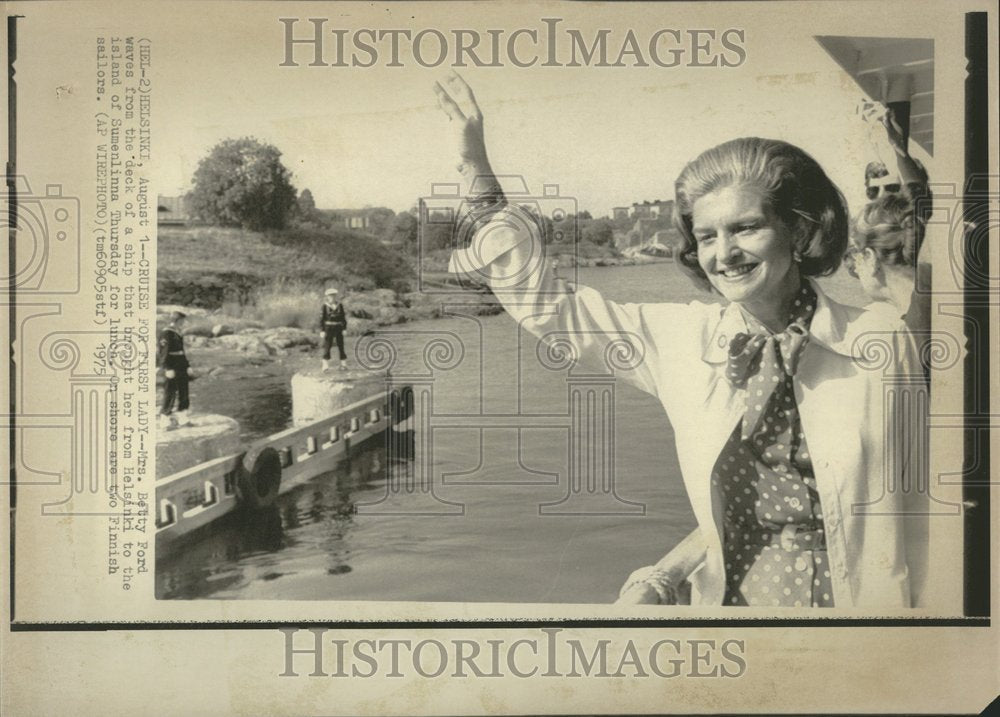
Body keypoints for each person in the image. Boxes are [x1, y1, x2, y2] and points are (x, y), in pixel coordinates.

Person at [435, 72, 958, 611]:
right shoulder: (683, 341)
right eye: (708, 235)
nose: (724, 253)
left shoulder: (886, 342)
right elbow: (550, 308)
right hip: (729, 626)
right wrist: (476, 170)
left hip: (865, 623)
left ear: (799, 233)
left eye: (746, 227)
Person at [157, 311, 194, 429]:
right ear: (177, 321)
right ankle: (165, 419)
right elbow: (163, 353)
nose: (184, 324)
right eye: (183, 321)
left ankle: (183, 418)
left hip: (181, 366)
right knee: (170, 391)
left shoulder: (177, 333)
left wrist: (187, 366)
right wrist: (167, 368)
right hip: (172, 366)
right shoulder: (166, 333)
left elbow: (181, 352)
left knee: (184, 391)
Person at [320, 287, 348, 371]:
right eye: (330, 296)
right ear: (327, 297)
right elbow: (321, 319)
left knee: (341, 345)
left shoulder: (340, 305)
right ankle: (325, 365)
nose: (332, 297)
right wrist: (322, 330)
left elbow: (343, 318)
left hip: (338, 327)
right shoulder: (324, 306)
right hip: (328, 328)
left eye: (334, 296)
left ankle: (343, 364)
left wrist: (344, 328)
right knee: (327, 346)